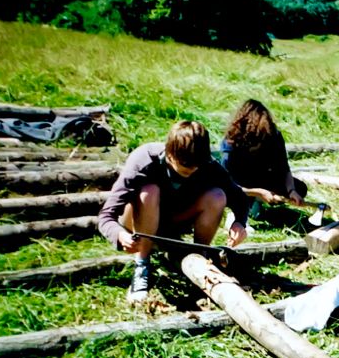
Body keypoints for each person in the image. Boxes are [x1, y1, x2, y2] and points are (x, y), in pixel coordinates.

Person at [98, 120, 249, 303]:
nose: (191, 172)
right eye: (185, 168)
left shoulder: (208, 166)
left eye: (196, 168)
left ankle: (200, 257)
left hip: (174, 222)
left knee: (217, 196)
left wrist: (240, 223)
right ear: (169, 153)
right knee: (149, 191)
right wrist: (119, 235)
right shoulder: (144, 160)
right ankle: (142, 264)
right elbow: (106, 216)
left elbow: (239, 198)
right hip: (138, 220)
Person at [220, 99, 307, 208]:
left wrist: (291, 191)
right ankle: (252, 204)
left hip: (263, 177)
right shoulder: (231, 143)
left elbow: (283, 168)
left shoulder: (272, 135)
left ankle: (258, 202)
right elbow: (226, 184)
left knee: (300, 188)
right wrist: (258, 193)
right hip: (240, 184)